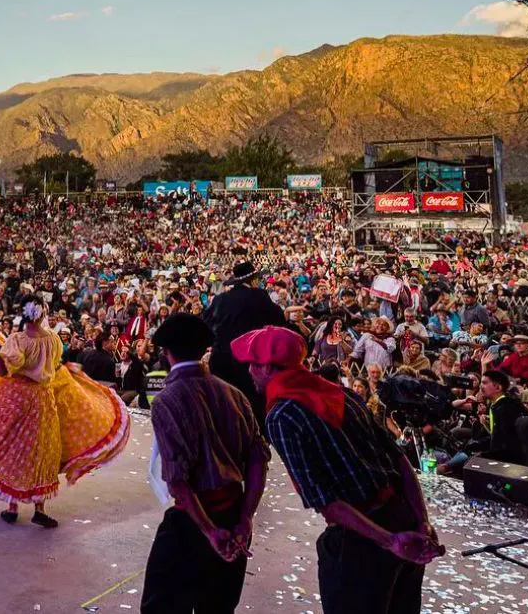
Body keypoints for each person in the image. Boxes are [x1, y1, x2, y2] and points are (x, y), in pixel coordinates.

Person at [232, 326, 443, 614]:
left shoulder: (282, 416)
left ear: (268, 367)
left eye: (253, 364)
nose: (250, 371)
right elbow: (399, 459)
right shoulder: (343, 394)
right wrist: (421, 522)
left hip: (363, 537)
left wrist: (389, 541)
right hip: (402, 516)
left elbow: (327, 503)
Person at [0, 296, 130, 526]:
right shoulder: (53, 340)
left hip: (17, 399)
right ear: (41, 314)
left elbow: (3, 369)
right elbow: (53, 365)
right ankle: (39, 508)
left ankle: (12, 506)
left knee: (14, 449)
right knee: (42, 450)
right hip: (43, 400)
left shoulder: (18, 340)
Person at [141, 314, 269, 614]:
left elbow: (178, 481)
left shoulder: (167, 400)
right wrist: (245, 518)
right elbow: (258, 461)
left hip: (191, 523)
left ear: (165, 352)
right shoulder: (233, 394)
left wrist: (210, 531)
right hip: (234, 515)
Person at [202, 261, 287, 423]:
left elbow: (205, 323)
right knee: (252, 410)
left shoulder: (221, 299)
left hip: (221, 362)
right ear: (253, 281)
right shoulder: (259, 296)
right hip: (249, 362)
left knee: (225, 410)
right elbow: (279, 320)